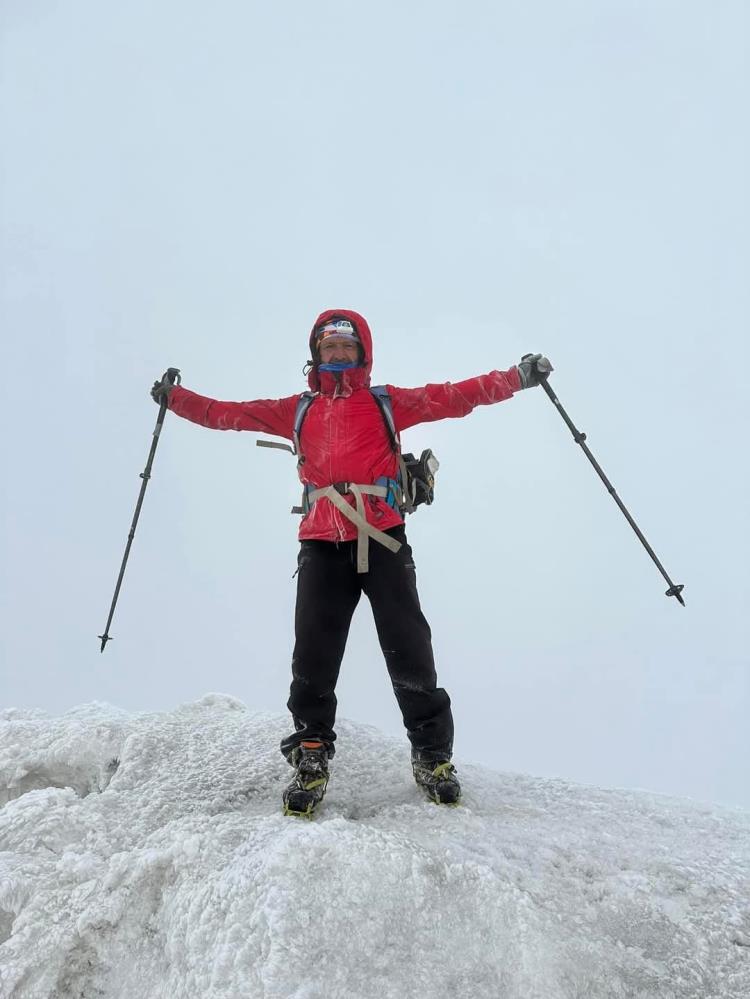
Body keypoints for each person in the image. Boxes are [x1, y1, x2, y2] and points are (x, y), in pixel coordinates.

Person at [152, 309, 552, 815]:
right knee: (313, 655)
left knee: (409, 646)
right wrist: (176, 400)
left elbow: (456, 396)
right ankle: (311, 751)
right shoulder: (296, 409)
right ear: (316, 353)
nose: (338, 354)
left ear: (363, 352)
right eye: (329, 346)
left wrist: (517, 378)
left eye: (347, 346)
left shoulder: (386, 403)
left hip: (383, 538)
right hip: (322, 542)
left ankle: (432, 755)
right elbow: (226, 413)